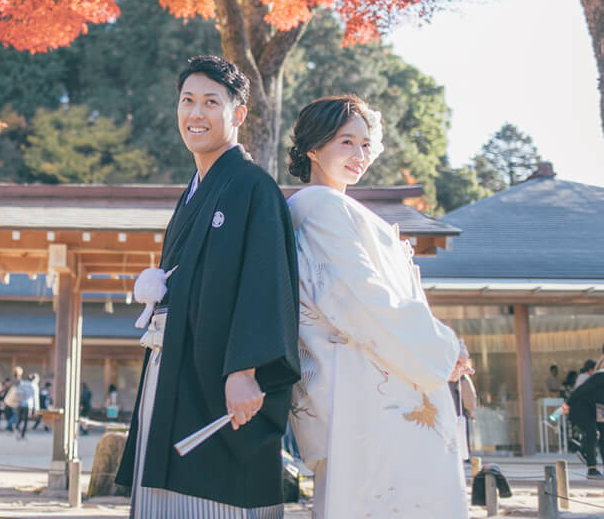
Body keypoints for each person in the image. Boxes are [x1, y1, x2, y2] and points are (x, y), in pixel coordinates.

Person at [116, 55, 300, 517]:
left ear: (237, 114)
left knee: (217, 493)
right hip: (174, 360)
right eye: (187, 101)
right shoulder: (194, 191)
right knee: (165, 487)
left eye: (210, 103)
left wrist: (247, 369)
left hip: (221, 375)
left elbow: (267, 280)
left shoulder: (253, 186)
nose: (196, 114)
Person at [286, 95, 471, 519]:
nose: (359, 155)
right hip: (368, 386)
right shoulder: (321, 209)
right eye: (346, 142)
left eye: (366, 145)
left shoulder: (328, 207)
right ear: (314, 147)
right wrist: (443, 347)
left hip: (370, 380)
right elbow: (360, 298)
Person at [14, 374, 37, 440]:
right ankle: (22, 435)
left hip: (20, 404)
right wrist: (36, 409)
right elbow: (35, 398)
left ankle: (16, 428)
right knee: (26, 421)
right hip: (28, 405)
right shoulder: (34, 386)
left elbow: (18, 393)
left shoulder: (22, 384)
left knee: (19, 419)